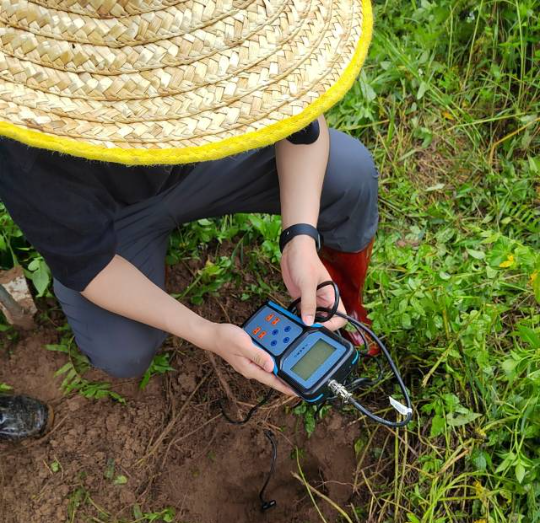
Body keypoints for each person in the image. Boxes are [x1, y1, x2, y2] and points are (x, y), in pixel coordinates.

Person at [0, 0, 378, 400]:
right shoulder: (27, 138)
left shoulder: (237, 24)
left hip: (211, 161)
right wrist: (208, 333)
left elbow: (299, 121)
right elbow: (91, 267)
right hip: (114, 219)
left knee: (348, 172)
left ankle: (341, 306)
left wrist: (300, 239)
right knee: (122, 350)